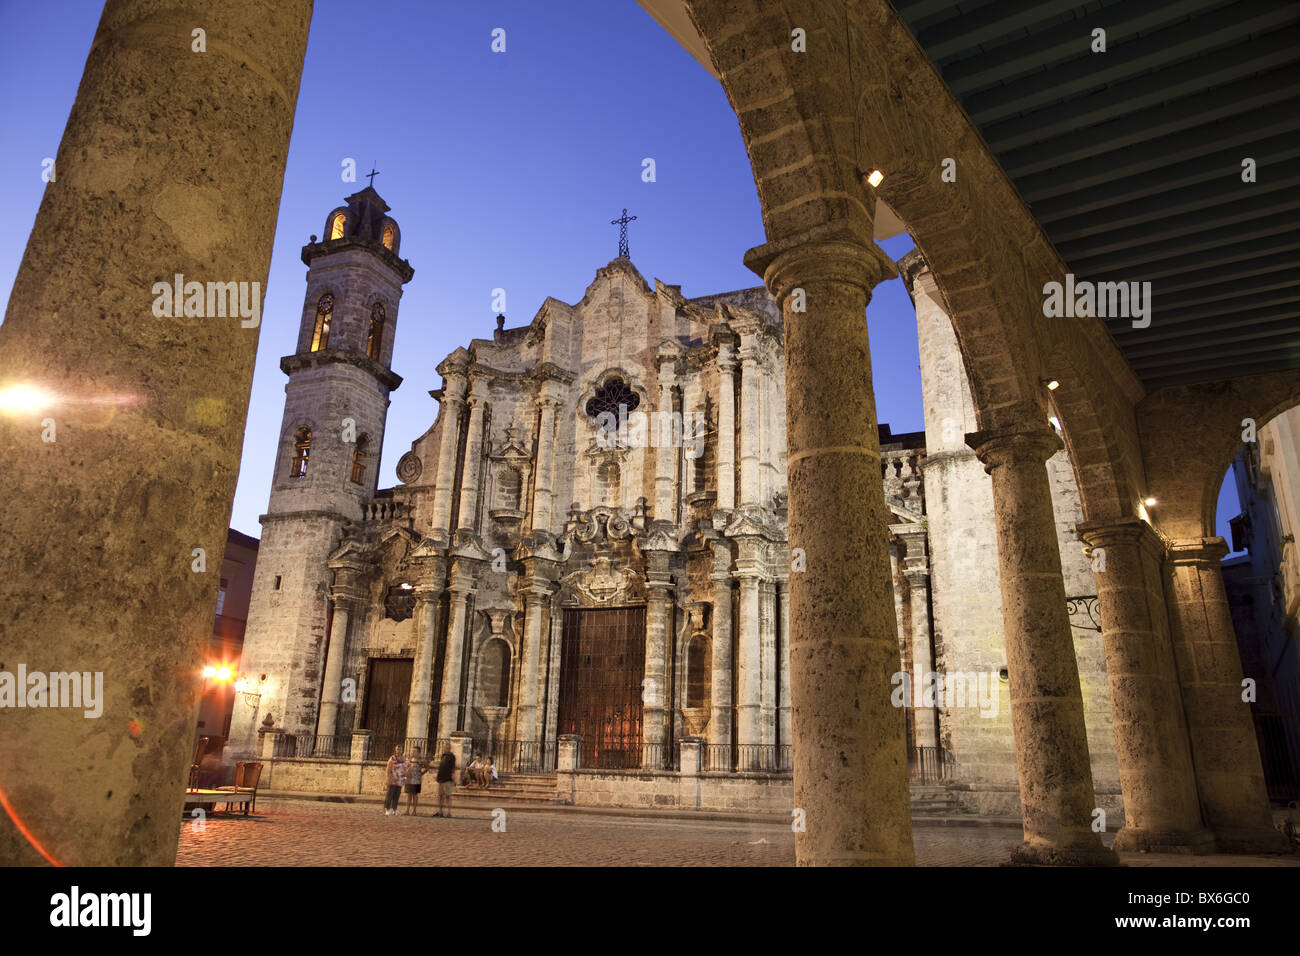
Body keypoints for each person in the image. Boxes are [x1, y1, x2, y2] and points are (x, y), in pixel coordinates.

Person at [434, 745, 457, 818]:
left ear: (449, 748)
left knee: (448, 796)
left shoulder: (452, 757)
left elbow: (453, 768)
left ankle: (449, 812)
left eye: (446, 748)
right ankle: (440, 811)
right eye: (444, 748)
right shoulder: (443, 756)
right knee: (440, 796)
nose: (444, 749)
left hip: (448, 778)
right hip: (441, 778)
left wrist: (453, 777)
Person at [384, 745, 405, 816]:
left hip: (400, 780)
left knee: (397, 795)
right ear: (395, 750)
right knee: (390, 794)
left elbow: (405, 769)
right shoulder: (392, 758)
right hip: (393, 779)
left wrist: (404, 778)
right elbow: (388, 768)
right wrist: (387, 777)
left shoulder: (403, 759)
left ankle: (394, 808)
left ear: (402, 750)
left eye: (400, 749)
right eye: (397, 749)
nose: (399, 751)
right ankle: (387, 808)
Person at [404, 751, 426, 816]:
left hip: (416, 780)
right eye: (413, 751)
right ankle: (407, 810)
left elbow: (427, 767)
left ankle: (414, 811)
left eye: (415, 751)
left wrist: (422, 773)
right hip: (409, 779)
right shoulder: (409, 760)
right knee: (408, 795)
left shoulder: (421, 761)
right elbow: (406, 767)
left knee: (415, 795)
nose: (413, 752)